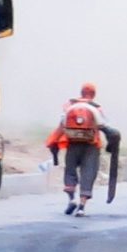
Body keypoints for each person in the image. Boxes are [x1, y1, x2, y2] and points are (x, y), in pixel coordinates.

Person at [49, 82, 116, 215]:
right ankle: (81, 206)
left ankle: (72, 199)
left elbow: (61, 126)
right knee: (88, 174)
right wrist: (112, 143)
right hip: (91, 146)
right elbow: (105, 127)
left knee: (70, 172)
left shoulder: (70, 106)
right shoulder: (96, 108)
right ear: (94, 94)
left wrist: (53, 142)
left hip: (72, 144)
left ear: (81, 92)